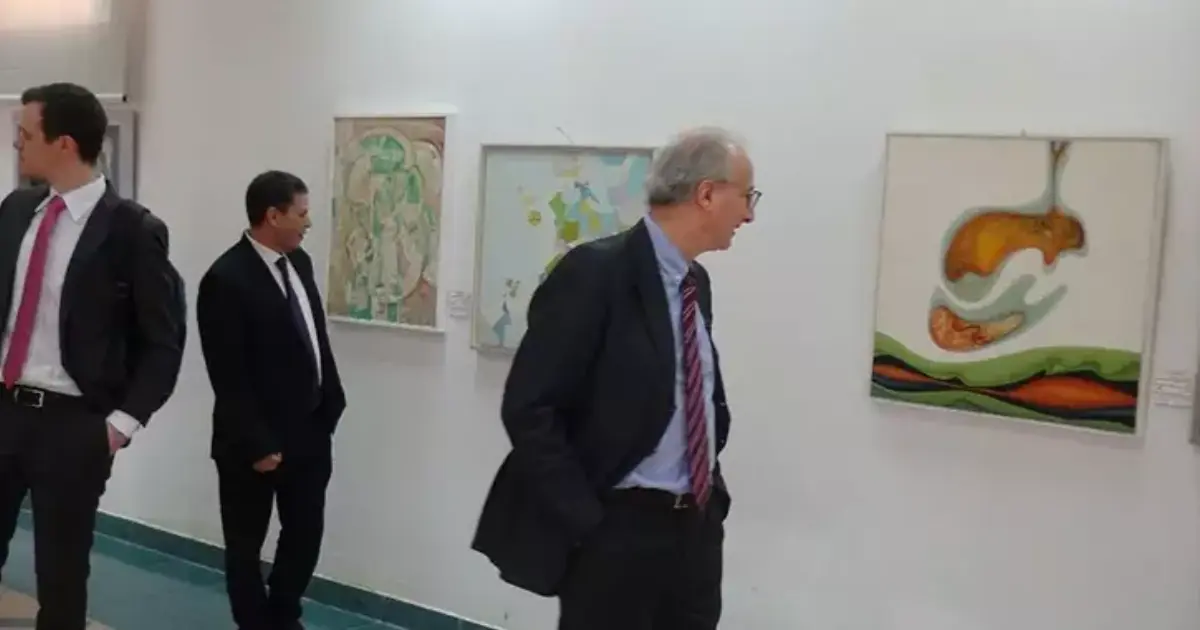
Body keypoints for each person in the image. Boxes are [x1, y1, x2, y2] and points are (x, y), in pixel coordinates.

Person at [472, 127, 758, 630]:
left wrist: (711, 500)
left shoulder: (695, 283)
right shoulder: (595, 273)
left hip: (693, 531)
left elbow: (694, 397)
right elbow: (530, 408)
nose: (750, 214)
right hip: (617, 531)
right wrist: (587, 520)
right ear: (707, 194)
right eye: (747, 196)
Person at [0, 83, 186, 629]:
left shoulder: (132, 230)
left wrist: (118, 426)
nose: (16, 143)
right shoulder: (16, 210)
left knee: (60, 579)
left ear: (63, 143)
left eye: (25, 133)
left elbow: (163, 341)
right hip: (4, 408)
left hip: (72, 425)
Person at [196, 170, 346, 630]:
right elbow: (228, 373)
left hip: (310, 432)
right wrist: (258, 443)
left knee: (305, 533)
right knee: (245, 545)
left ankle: (284, 615)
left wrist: (331, 403)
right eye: (301, 213)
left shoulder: (299, 263)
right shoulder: (226, 278)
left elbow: (313, 339)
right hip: (253, 443)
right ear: (273, 216)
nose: (308, 222)